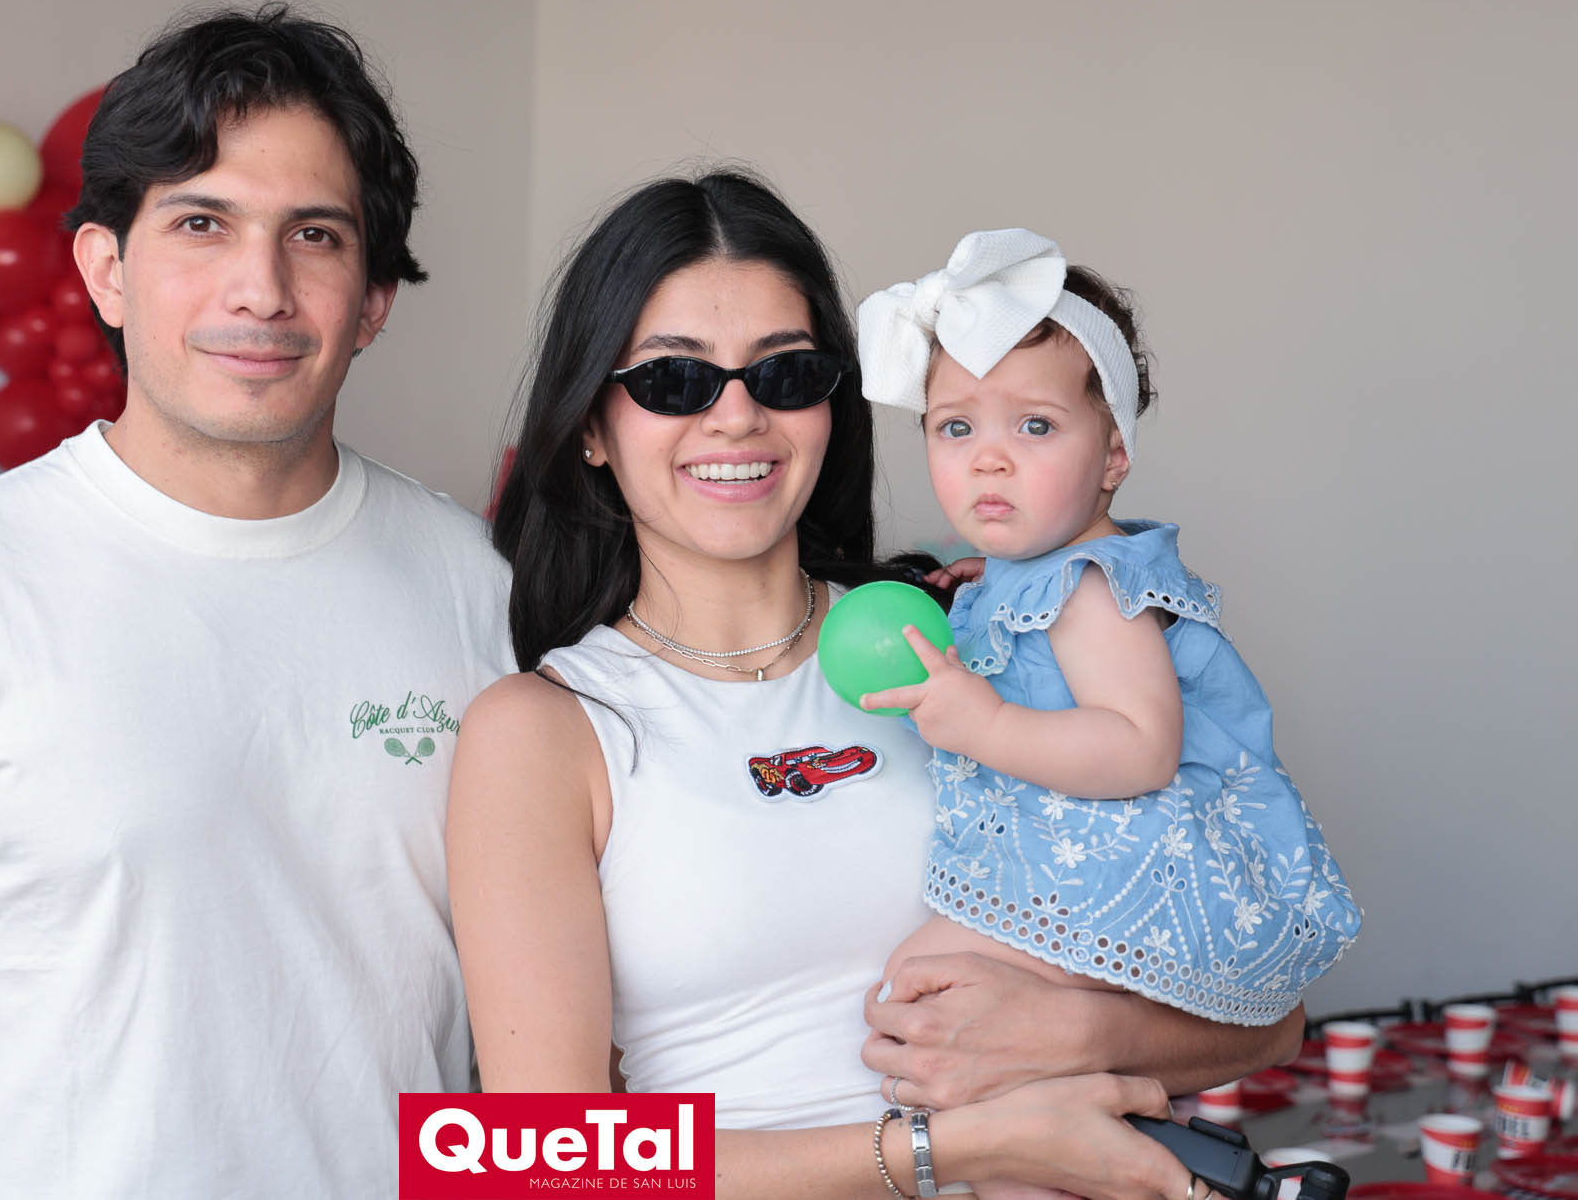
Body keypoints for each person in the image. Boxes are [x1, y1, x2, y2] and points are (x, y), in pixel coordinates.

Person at [0, 4, 512, 1198]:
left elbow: (551, 1040)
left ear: (372, 300)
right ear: (105, 269)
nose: (259, 289)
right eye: (202, 224)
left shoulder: (481, 588)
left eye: (313, 235)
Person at [448, 172, 1302, 1200]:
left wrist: (1079, 1033)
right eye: (674, 380)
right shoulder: (543, 730)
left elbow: (1271, 1016)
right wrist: (953, 1148)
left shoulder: (969, 646)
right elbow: (531, 1157)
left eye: (785, 373)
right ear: (591, 423)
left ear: (832, 406)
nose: (736, 416)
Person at [849, 229, 1360, 1026]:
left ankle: (1086, 1096)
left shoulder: (1090, 588)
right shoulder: (1054, 572)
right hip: (1093, 869)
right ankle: (1085, 1096)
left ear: (1114, 455)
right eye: (956, 427)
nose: (989, 458)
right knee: (926, 989)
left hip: (1128, 882)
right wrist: (995, 584)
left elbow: (1140, 746)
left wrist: (987, 724)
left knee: (916, 980)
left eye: (1035, 426)